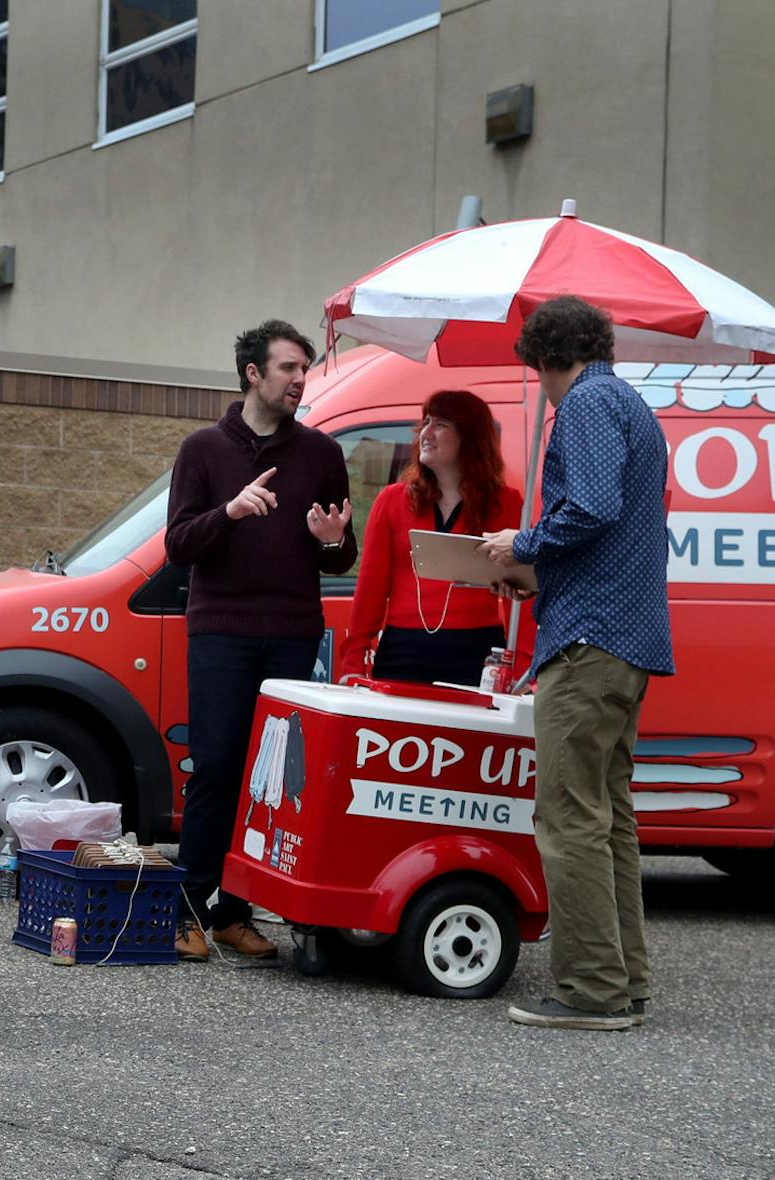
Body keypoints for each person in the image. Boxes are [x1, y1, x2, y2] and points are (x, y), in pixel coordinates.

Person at [478, 295, 674, 1031]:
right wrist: (533, 567)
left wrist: (520, 546)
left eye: (536, 372)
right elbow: (614, 529)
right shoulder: (630, 404)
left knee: (567, 817)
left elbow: (588, 509)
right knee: (609, 818)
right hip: (627, 638)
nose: (540, 386)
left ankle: (591, 990)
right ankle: (624, 979)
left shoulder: (587, 404)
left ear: (545, 358)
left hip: (588, 642)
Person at [164, 319, 354, 963]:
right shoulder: (203, 450)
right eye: (289, 369)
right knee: (216, 767)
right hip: (220, 631)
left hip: (293, 634)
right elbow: (178, 544)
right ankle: (186, 910)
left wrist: (332, 539)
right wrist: (230, 513)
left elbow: (338, 555)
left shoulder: (322, 455)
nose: (301, 380)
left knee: (265, 780)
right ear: (254, 374)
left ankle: (233, 915)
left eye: (305, 369)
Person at [343, 390, 531, 686]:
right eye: (426, 421)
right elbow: (370, 591)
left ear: (470, 436)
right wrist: (353, 661)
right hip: (402, 650)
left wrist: (522, 666)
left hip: (477, 652)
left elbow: (521, 597)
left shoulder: (506, 504)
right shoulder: (391, 501)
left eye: (441, 424)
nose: (425, 433)